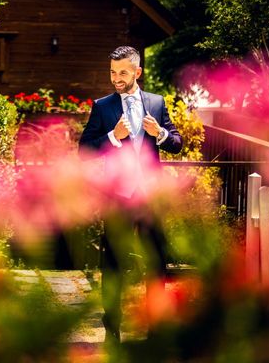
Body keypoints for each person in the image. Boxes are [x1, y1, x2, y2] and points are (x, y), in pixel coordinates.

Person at [78, 45, 182, 344]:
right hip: (117, 198)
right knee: (112, 266)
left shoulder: (157, 103)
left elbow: (176, 142)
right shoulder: (102, 106)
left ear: (137, 72)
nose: (116, 78)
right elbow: (84, 151)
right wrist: (113, 137)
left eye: (122, 72)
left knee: (156, 264)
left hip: (150, 197)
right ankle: (112, 331)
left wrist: (160, 134)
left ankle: (156, 331)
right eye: (112, 72)